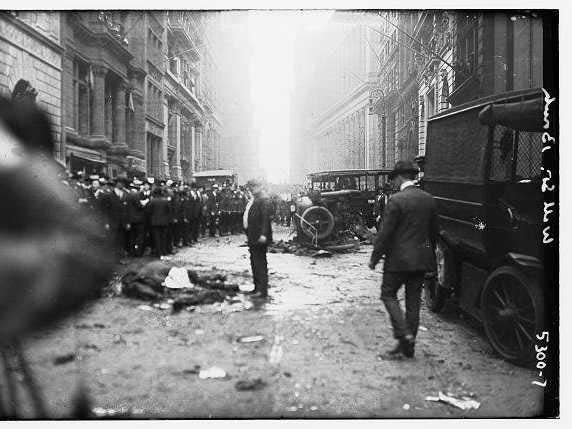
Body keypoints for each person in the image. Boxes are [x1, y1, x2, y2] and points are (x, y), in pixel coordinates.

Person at [368, 160, 439, 359]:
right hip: (420, 261)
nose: (393, 182)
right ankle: (408, 347)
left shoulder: (397, 200)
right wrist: (428, 256)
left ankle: (403, 334)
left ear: (400, 177)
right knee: (413, 302)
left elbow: (385, 234)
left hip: (398, 261)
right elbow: (434, 234)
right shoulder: (429, 199)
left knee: (388, 294)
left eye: (394, 179)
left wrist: (374, 258)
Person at [243, 179, 273, 299]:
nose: (251, 189)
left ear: (259, 187)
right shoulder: (255, 198)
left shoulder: (263, 199)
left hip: (259, 237)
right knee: (255, 262)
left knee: (260, 263)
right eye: (250, 187)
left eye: (253, 187)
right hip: (253, 235)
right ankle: (257, 288)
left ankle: (262, 290)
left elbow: (266, 219)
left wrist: (264, 235)